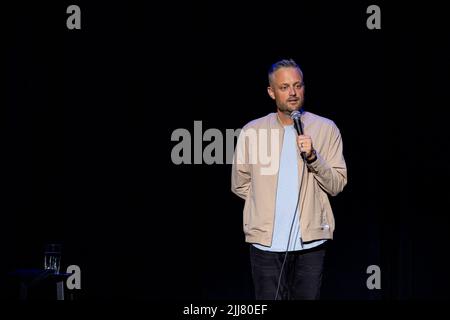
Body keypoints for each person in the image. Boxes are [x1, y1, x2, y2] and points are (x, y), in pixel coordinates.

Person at [231, 59, 347, 300]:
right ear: (271, 92)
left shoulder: (326, 128)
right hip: (266, 246)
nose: (293, 92)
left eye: (298, 85)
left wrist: (314, 157)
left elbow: (337, 185)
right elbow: (240, 184)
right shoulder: (252, 132)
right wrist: (262, 206)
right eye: (284, 87)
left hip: (310, 246)